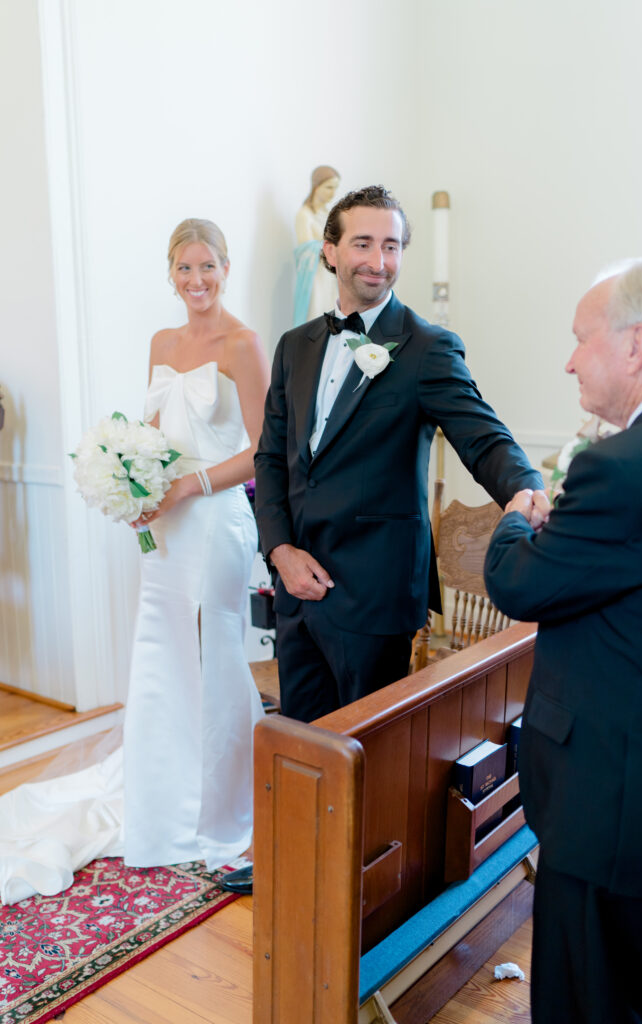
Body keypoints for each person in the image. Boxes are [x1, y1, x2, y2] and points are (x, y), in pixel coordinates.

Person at [255, 185, 545, 725]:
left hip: (373, 593)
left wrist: (525, 486)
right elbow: (271, 458)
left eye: (391, 247)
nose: (378, 261)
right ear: (330, 250)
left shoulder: (426, 347)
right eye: (363, 244)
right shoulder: (294, 346)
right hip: (295, 590)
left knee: (368, 759)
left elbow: (482, 435)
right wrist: (279, 551)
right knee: (301, 746)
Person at [484, 258, 642, 1024]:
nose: (569, 358)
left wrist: (518, 513)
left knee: (584, 995)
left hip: (608, 793)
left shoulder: (621, 467)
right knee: (636, 983)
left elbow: (519, 585)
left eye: (579, 338)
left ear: (633, 345)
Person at [123, 218, 270, 871]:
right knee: (163, 646)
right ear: (171, 274)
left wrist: (189, 486)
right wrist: (138, 493)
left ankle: (226, 805)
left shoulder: (242, 344)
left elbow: (264, 452)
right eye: (184, 269)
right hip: (169, 522)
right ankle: (164, 796)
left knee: (214, 651)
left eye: (206, 266)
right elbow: (149, 436)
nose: (196, 280)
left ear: (225, 267)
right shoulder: (160, 340)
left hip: (215, 518)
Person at [293, 165, 340, 325]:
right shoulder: (304, 215)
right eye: (328, 187)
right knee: (316, 316)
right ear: (316, 186)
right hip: (315, 277)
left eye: (335, 188)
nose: (332, 193)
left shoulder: (328, 214)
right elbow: (305, 250)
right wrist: (332, 247)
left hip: (331, 275)